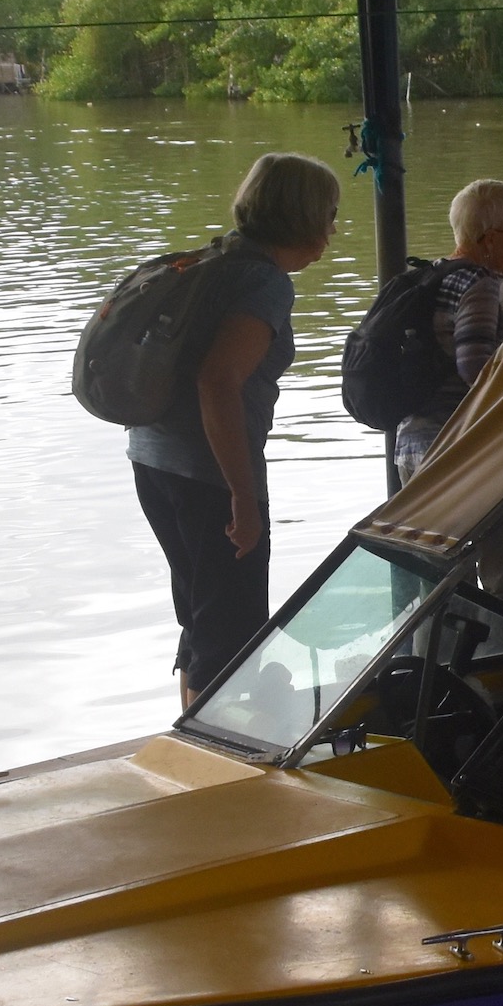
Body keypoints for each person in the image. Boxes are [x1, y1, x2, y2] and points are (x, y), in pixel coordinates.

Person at [131, 151, 340, 707]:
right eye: (330, 215)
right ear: (307, 219)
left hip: (152, 458)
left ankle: (198, 740)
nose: (334, 230)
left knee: (202, 616)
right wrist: (243, 499)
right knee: (229, 629)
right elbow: (217, 382)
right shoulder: (263, 284)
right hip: (210, 474)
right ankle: (217, 762)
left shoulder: (213, 261)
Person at [393, 178, 503, 625]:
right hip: (466, 451)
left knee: (440, 583)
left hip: (414, 447)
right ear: (490, 239)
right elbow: (476, 366)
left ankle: (437, 680)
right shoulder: (480, 284)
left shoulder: (427, 276)